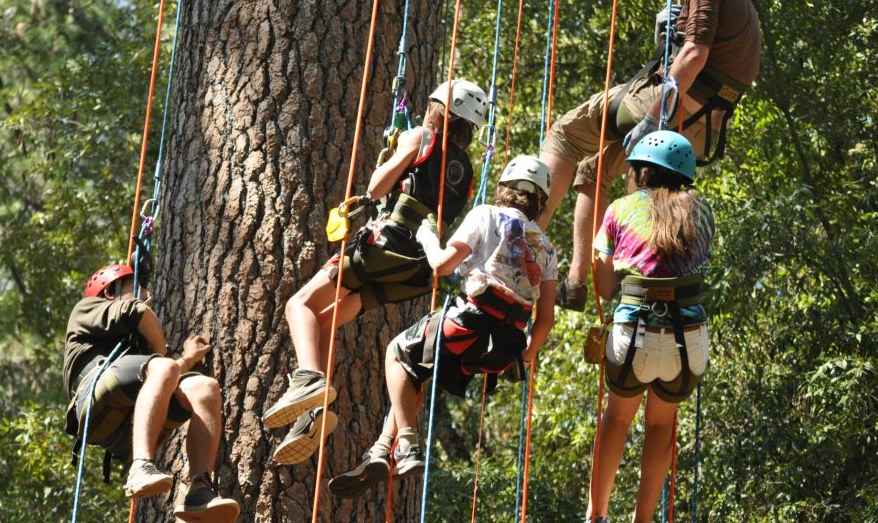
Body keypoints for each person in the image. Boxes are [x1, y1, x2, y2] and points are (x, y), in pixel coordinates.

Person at [538, 0, 760, 310]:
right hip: (702, 121)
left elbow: (694, 54)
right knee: (595, 170)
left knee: (566, 134)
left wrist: (649, 116)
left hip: (674, 102)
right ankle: (581, 281)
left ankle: (523, 235)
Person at [262, 79, 487, 465]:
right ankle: (314, 414)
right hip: (414, 271)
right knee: (324, 325)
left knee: (298, 306)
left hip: (386, 245)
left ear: (439, 108)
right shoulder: (466, 172)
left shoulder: (421, 135)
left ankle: (309, 383)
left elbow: (376, 187)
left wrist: (396, 156)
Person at [327, 155, 558, 498]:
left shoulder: (486, 215)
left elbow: (442, 265)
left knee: (397, 353)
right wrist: (525, 355)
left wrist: (425, 236)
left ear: (505, 189)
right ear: (540, 202)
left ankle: (406, 444)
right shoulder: (547, 248)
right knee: (416, 371)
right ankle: (382, 447)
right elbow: (547, 318)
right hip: (504, 347)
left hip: (469, 323)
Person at [584, 131, 714, 523]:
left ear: (641, 171)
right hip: (687, 341)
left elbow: (606, 285)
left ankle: (597, 514)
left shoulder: (620, 210)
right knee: (661, 424)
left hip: (633, 333)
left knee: (617, 418)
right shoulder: (703, 211)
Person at [63, 263, 240, 522]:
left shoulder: (144, 353)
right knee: (163, 367)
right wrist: (161, 355)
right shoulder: (86, 308)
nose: (146, 293)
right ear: (110, 293)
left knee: (205, 388)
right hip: (95, 400)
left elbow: (161, 376)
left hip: (128, 425)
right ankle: (140, 467)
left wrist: (186, 361)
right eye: (137, 287)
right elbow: (138, 313)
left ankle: (199, 489)